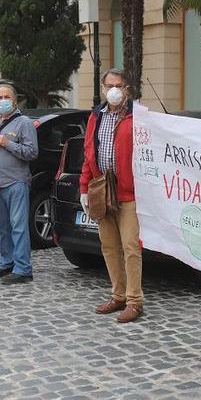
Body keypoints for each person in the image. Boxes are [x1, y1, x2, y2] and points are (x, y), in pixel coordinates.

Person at [79, 69, 144, 323]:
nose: (114, 89)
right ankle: (118, 295)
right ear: (103, 88)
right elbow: (88, 154)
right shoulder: (96, 116)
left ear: (127, 89)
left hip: (129, 193)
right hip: (102, 190)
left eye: (118, 85)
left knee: (130, 247)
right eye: (109, 85)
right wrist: (84, 187)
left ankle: (135, 301)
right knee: (109, 246)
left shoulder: (138, 117)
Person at [0, 83, 38, 284]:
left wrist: (8, 144)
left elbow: (32, 152)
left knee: (19, 227)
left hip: (16, 182)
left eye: (7, 97)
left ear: (14, 100)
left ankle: (23, 269)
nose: (3, 101)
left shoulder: (24, 123)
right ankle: (7, 262)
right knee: (2, 226)